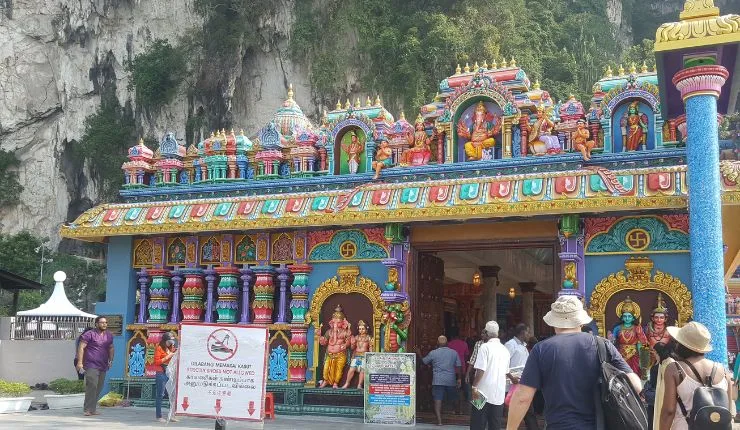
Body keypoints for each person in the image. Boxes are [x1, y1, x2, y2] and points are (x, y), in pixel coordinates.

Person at [506, 296, 641, 430]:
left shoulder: (541, 349)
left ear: (553, 323)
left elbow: (523, 397)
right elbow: (636, 385)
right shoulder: (602, 345)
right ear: (581, 322)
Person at [658, 322, 735, 430]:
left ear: (682, 345)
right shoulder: (723, 371)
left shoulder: (674, 369)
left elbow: (669, 411)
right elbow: (728, 409)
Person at [471, 321, 511, 430]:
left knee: (477, 424)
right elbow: (506, 371)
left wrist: (474, 387)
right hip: (498, 394)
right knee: (495, 425)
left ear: (486, 333)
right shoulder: (505, 350)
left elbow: (480, 371)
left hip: (481, 392)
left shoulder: (485, 347)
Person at [416, 335, 462, 426]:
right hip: (450, 380)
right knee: (455, 398)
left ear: (437, 343)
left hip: (438, 380)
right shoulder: (453, 353)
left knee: (437, 400)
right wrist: (459, 378)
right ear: (447, 343)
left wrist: (418, 353)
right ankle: (458, 414)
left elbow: (424, 362)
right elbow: (459, 366)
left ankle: (439, 422)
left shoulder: (433, 353)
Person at [76, 316, 114, 417]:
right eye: (102, 322)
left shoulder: (109, 335)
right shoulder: (89, 334)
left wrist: (110, 360)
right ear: (96, 324)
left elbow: (110, 348)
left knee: (98, 387)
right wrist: (80, 362)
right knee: (92, 385)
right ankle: (87, 409)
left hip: (103, 365)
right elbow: (81, 347)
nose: (104, 324)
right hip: (91, 364)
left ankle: (92, 409)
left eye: (106, 322)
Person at [505, 324, 538, 430]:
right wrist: (511, 377)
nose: (529, 335)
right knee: (514, 412)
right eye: (528, 332)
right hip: (512, 385)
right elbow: (503, 363)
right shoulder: (510, 344)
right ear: (522, 332)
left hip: (524, 383)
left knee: (529, 410)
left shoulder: (524, 346)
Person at [641, 342, 672, 430]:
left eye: (654, 351)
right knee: (651, 418)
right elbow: (644, 346)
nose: (652, 352)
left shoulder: (665, 363)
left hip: (657, 394)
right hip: (652, 393)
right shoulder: (656, 361)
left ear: (657, 351)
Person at [154, 332, 177, 422]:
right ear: (166, 340)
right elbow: (157, 362)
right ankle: (158, 416)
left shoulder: (171, 347)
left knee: (172, 394)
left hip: (169, 373)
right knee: (160, 394)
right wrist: (168, 356)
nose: (172, 341)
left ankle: (171, 415)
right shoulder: (159, 348)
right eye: (171, 339)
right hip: (161, 373)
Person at [447, 328, 470, 413]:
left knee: (453, 390)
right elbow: (467, 356)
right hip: (462, 370)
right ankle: (461, 409)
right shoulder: (464, 344)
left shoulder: (449, 344)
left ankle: (453, 408)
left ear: (452, 336)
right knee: (461, 390)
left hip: (452, 370)